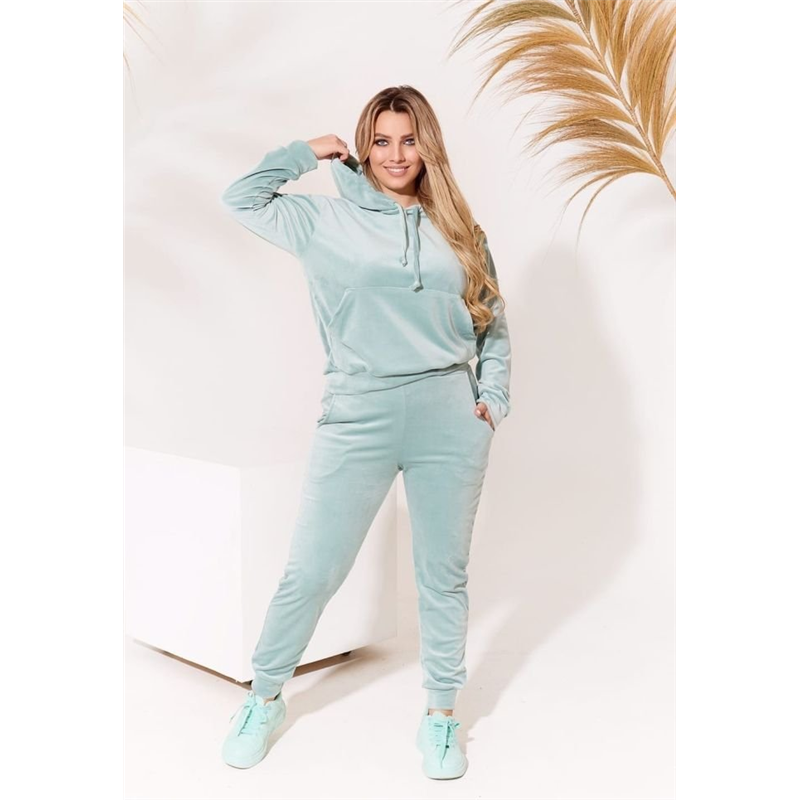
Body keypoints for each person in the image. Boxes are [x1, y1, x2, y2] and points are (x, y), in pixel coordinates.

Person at [218, 85, 511, 780]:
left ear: (429, 147)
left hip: (449, 414)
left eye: (409, 140)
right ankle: (264, 697)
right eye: (381, 141)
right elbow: (241, 199)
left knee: (442, 576)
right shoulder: (322, 219)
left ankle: (442, 716)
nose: (396, 155)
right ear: (363, 147)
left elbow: (492, 322)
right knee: (313, 569)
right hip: (359, 410)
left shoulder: (460, 229)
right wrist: (304, 151)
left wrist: (492, 397)